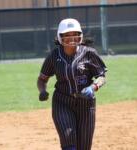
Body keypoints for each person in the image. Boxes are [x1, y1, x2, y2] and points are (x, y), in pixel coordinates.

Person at [37, 18, 107, 150]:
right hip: (62, 102)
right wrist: (42, 91)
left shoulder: (89, 54)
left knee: (84, 146)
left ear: (80, 35)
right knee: (68, 139)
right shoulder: (54, 56)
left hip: (86, 104)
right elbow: (42, 79)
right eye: (67, 35)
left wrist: (93, 87)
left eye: (75, 34)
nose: (72, 38)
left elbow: (102, 76)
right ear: (60, 37)